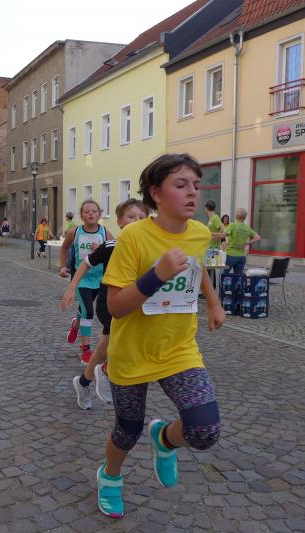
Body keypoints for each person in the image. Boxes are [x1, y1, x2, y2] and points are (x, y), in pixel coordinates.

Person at [96, 153, 224, 519]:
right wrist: (157, 275)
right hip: (132, 352)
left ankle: (164, 438)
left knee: (205, 429)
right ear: (156, 193)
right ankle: (110, 476)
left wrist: (213, 302)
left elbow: (196, 268)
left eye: (196, 185)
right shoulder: (133, 237)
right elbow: (115, 307)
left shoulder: (199, 233)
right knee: (127, 430)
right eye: (180, 185)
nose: (192, 192)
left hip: (178, 348)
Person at [61, 199, 148, 410]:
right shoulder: (111, 246)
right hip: (109, 303)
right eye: (131, 217)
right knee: (121, 341)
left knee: (103, 348)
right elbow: (85, 264)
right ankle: (106, 369)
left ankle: (84, 382)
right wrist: (71, 288)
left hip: (133, 305)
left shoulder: (147, 248)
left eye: (141, 217)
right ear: (120, 222)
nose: (136, 221)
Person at [59, 200, 114, 363]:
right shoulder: (74, 232)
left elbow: (115, 252)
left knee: (84, 309)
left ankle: (76, 324)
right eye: (87, 211)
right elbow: (64, 248)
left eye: (94, 211)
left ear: (100, 215)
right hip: (81, 279)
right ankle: (86, 350)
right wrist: (63, 267)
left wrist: (102, 248)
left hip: (100, 279)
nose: (91, 213)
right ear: (81, 216)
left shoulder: (105, 232)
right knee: (89, 311)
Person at [222, 207, 261, 275]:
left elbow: (223, 235)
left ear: (236, 216)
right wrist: (247, 243)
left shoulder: (232, 225)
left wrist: (213, 235)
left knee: (225, 276)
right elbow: (258, 237)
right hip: (242, 257)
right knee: (238, 277)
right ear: (245, 217)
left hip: (231, 255)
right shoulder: (247, 228)